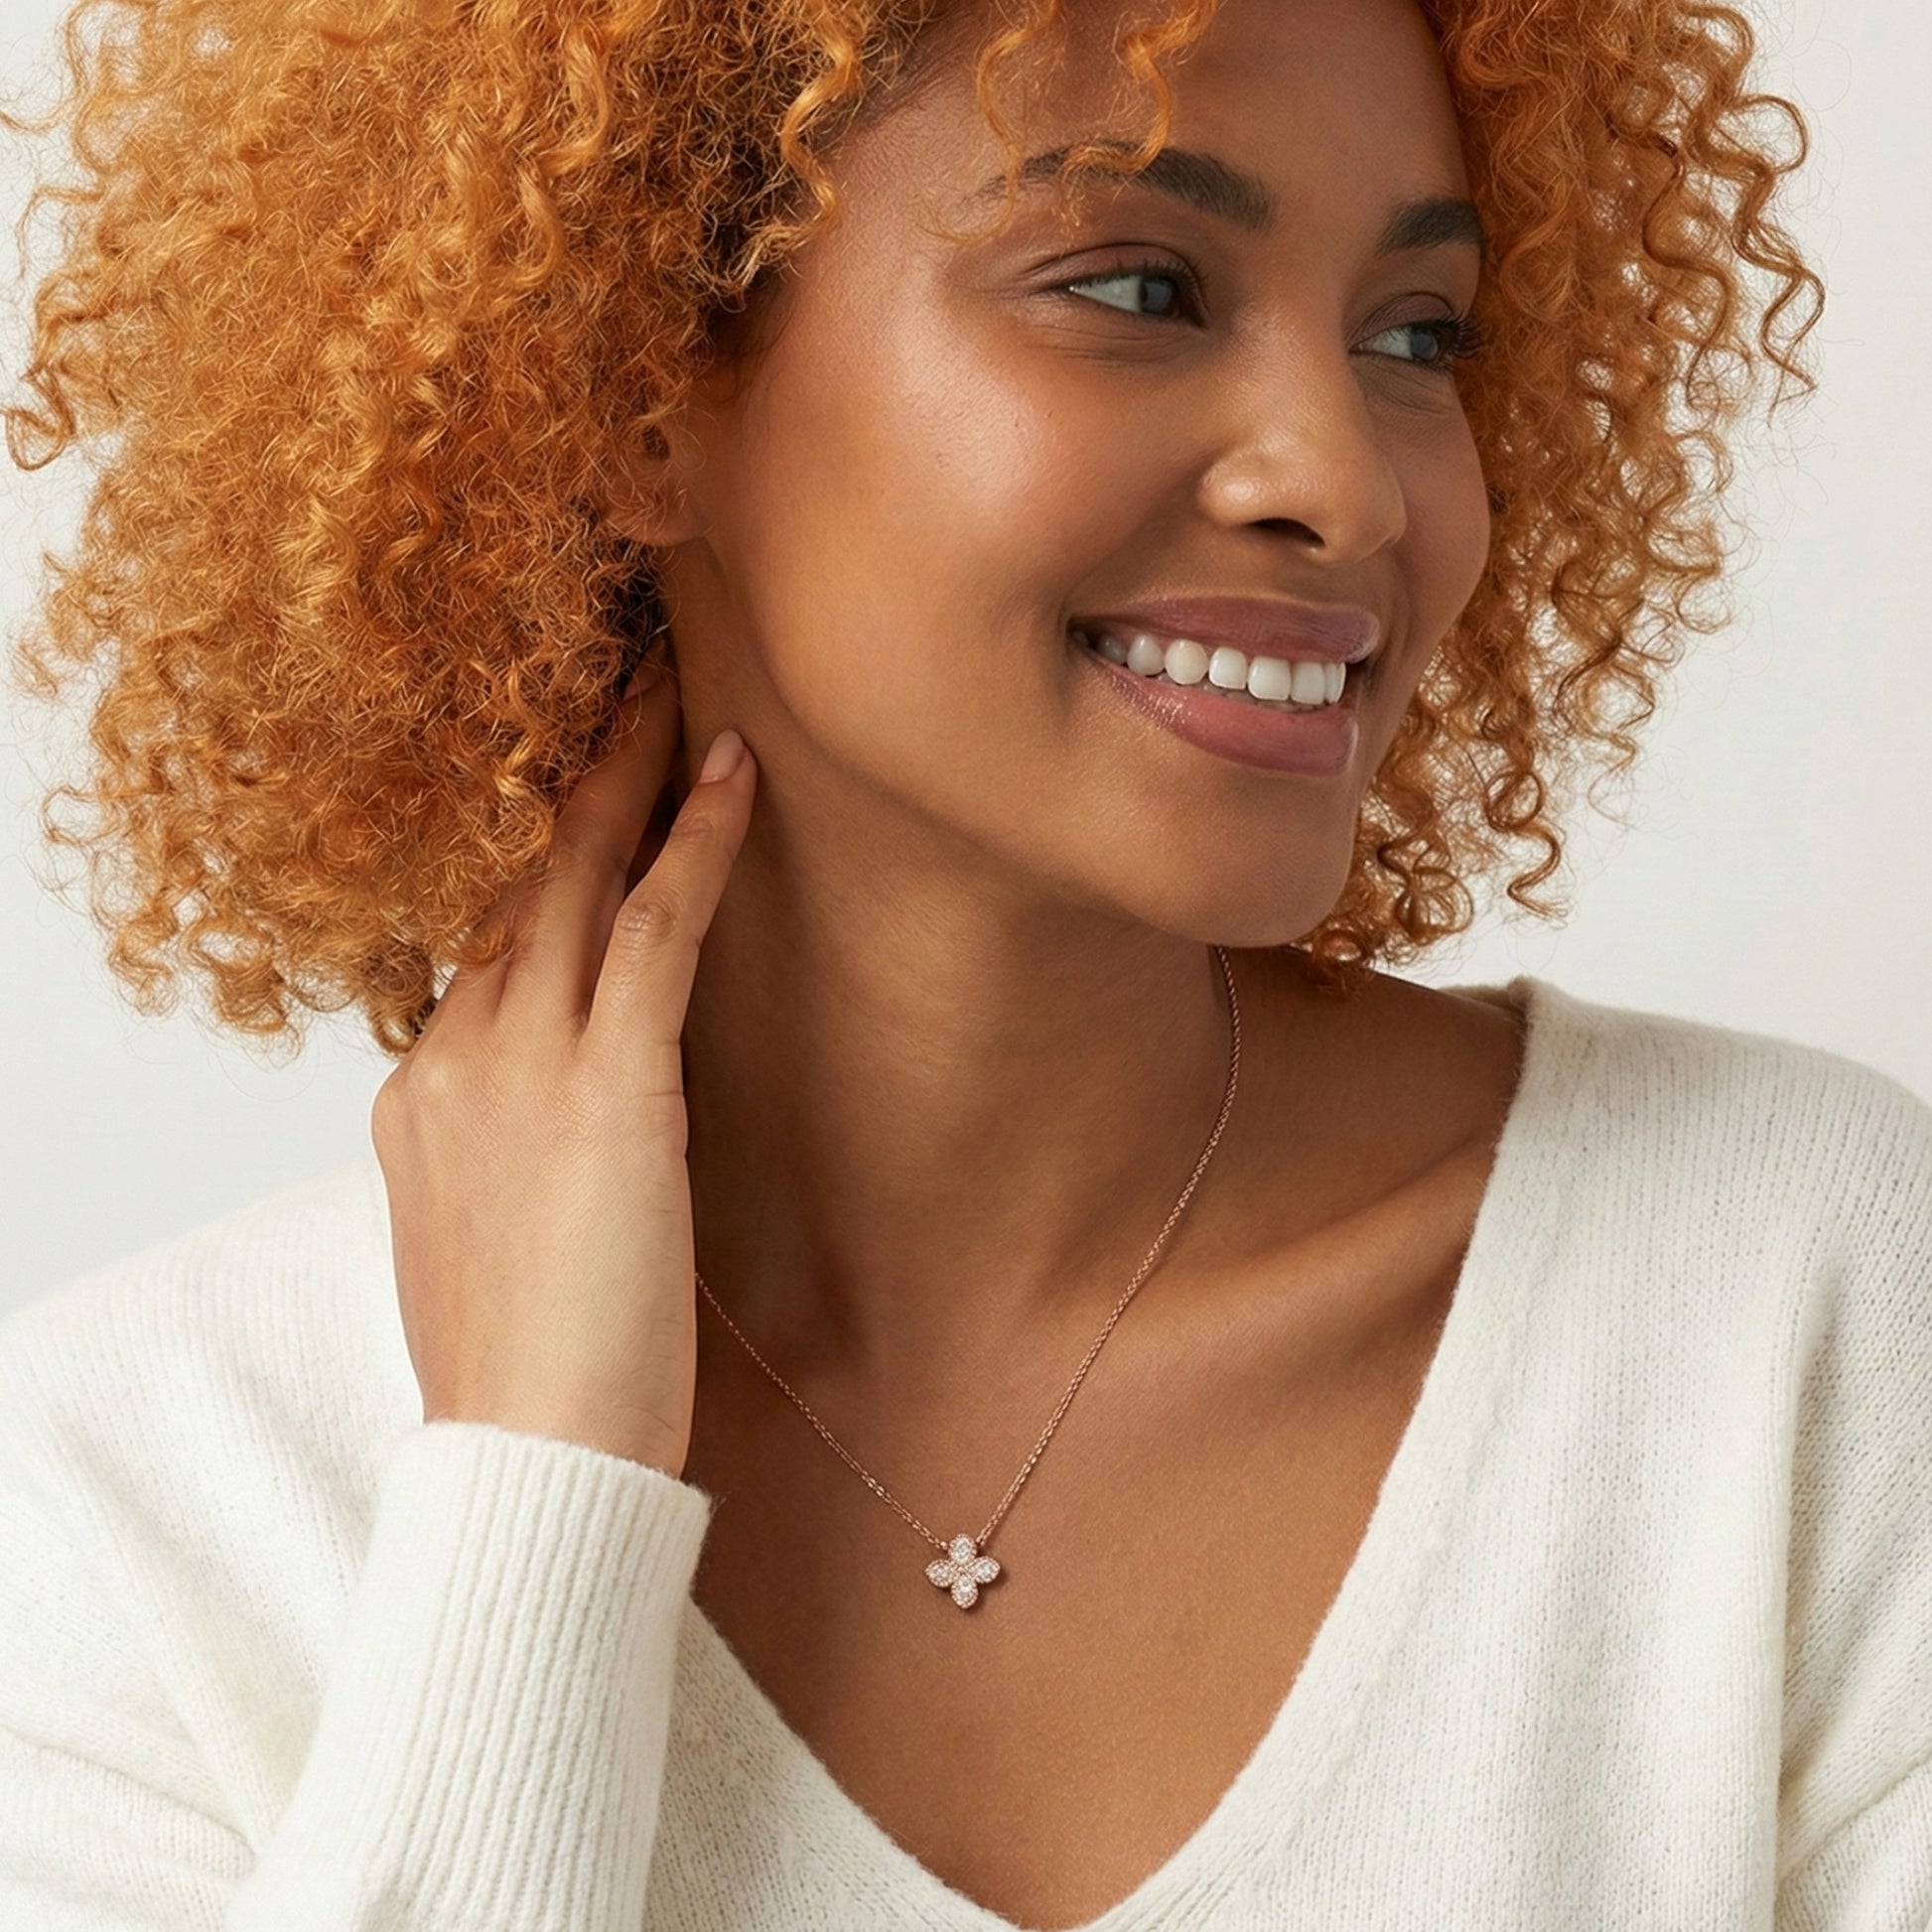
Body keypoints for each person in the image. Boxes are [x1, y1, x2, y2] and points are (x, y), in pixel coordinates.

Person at [1, 0, 1926, 1924]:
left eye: (1416, 336)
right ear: (626, 387)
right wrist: (528, 1501)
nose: (1344, 483)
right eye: (1137, 287)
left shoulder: (1789, 1303)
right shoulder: (130, 1512)